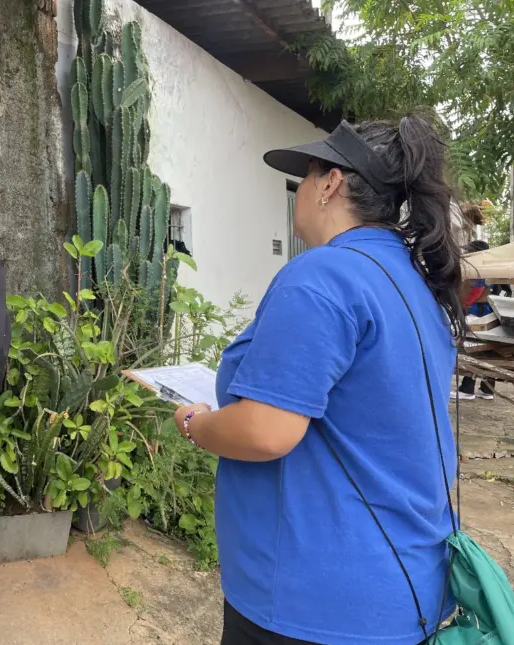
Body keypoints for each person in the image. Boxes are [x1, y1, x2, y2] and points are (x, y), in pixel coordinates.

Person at [174, 117, 462, 644]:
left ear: (330, 183)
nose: (299, 191)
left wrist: (197, 423)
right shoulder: (414, 281)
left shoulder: (322, 275)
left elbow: (265, 432)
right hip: (405, 585)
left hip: (315, 601)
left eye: (306, 176)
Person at [452, 239, 496, 401]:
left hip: (477, 315)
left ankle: (467, 389)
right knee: (488, 351)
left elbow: (474, 293)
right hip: (490, 315)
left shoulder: (478, 269)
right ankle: (487, 390)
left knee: (472, 349)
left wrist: (460, 306)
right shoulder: (491, 267)